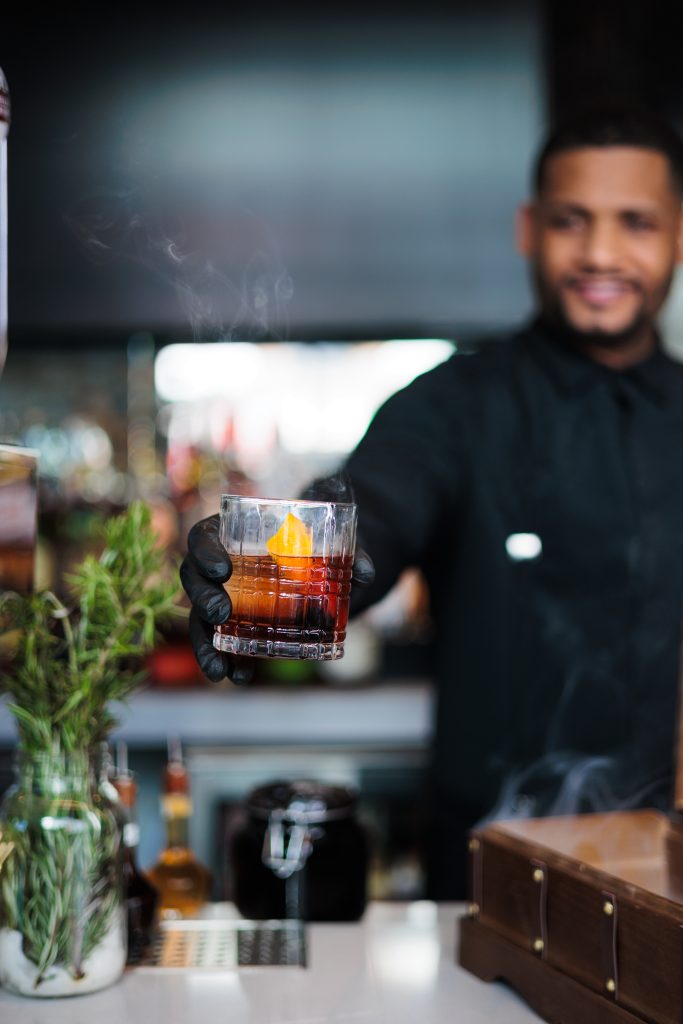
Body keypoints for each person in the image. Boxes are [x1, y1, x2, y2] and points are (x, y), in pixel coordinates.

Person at [180, 107, 683, 898]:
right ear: (527, 229)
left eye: (636, 223)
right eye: (570, 220)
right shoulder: (452, 405)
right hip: (489, 874)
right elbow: (374, 512)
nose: (599, 253)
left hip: (668, 871)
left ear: (678, 234)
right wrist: (259, 580)